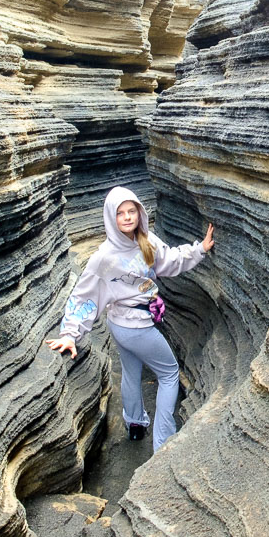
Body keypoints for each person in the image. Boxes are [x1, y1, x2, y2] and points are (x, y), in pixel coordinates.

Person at [45, 185, 214, 452]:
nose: (127, 217)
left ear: (139, 212)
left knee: (132, 372)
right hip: (137, 328)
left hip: (121, 325)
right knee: (169, 373)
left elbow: (170, 260)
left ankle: (135, 424)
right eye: (120, 213)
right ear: (110, 217)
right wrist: (70, 334)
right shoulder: (104, 257)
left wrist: (199, 249)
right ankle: (163, 444)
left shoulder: (146, 240)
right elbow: (83, 296)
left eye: (131, 211)